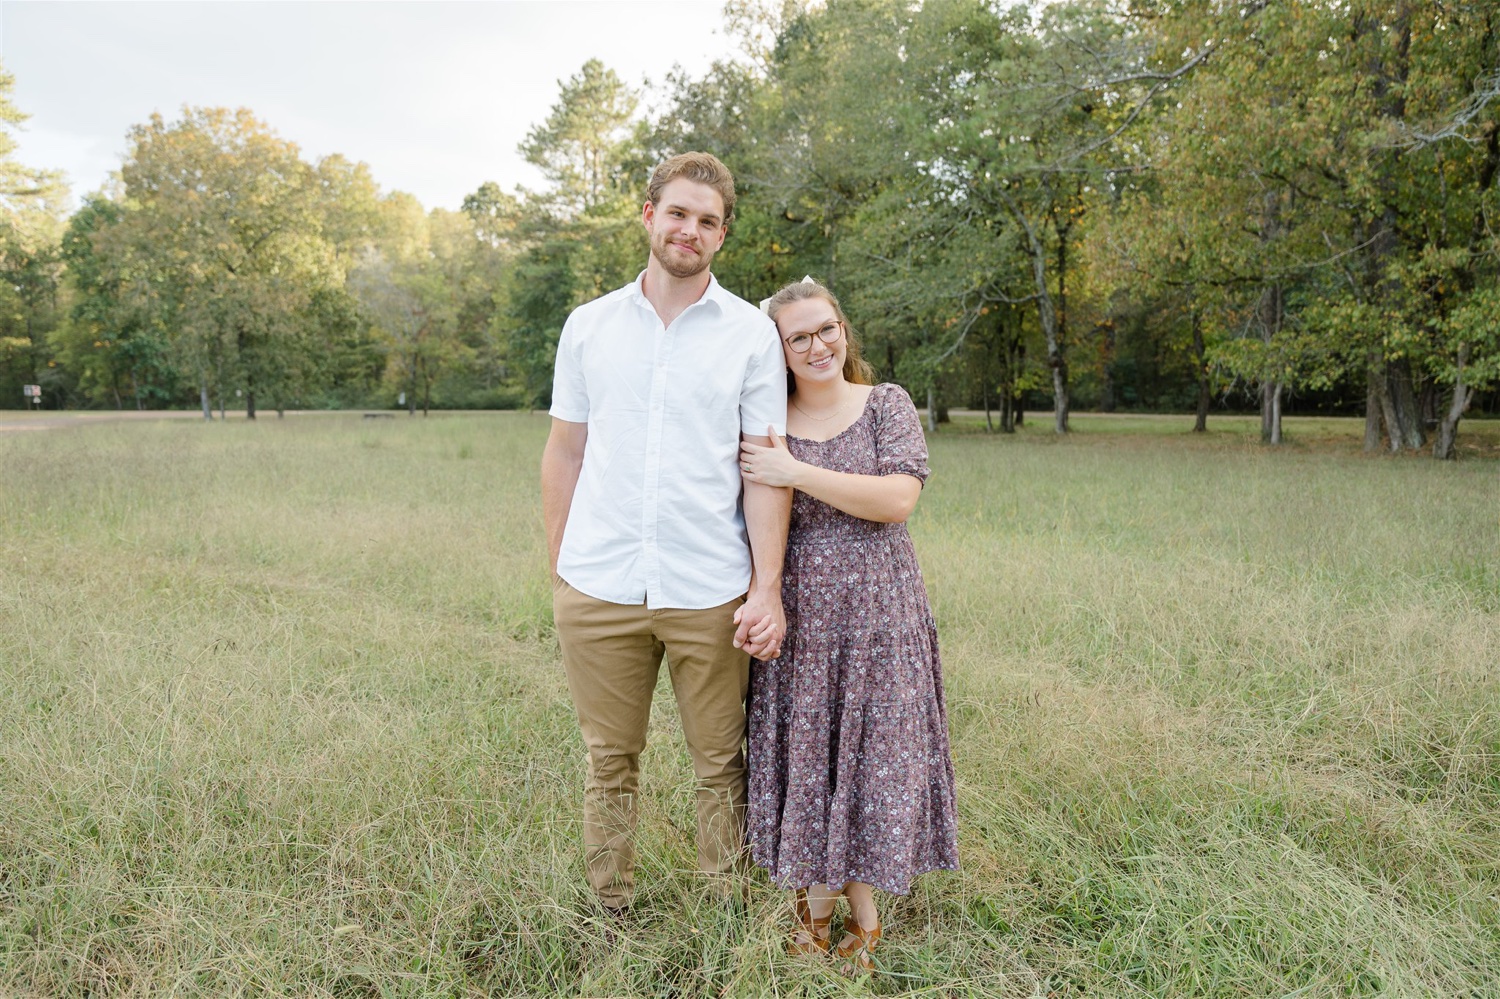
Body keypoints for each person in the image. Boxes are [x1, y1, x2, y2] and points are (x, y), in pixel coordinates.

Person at [540, 152, 791, 916]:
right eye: (678, 213)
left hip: (709, 587)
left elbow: (764, 471)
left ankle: (723, 912)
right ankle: (609, 909)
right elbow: (565, 450)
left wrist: (767, 588)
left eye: (708, 221)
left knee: (720, 764)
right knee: (608, 760)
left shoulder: (751, 335)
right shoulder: (589, 327)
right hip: (601, 584)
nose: (691, 229)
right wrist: (563, 571)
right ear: (649, 215)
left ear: (722, 237)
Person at [739, 279, 958, 973]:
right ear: (778, 350)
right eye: (797, 336)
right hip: (803, 611)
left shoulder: (885, 404)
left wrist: (796, 469)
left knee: (870, 761)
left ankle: (866, 919)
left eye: (826, 328)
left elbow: (897, 499)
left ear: (843, 328)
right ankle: (817, 911)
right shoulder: (768, 419)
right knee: (813, 759)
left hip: (880, 610)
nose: (817, 345)